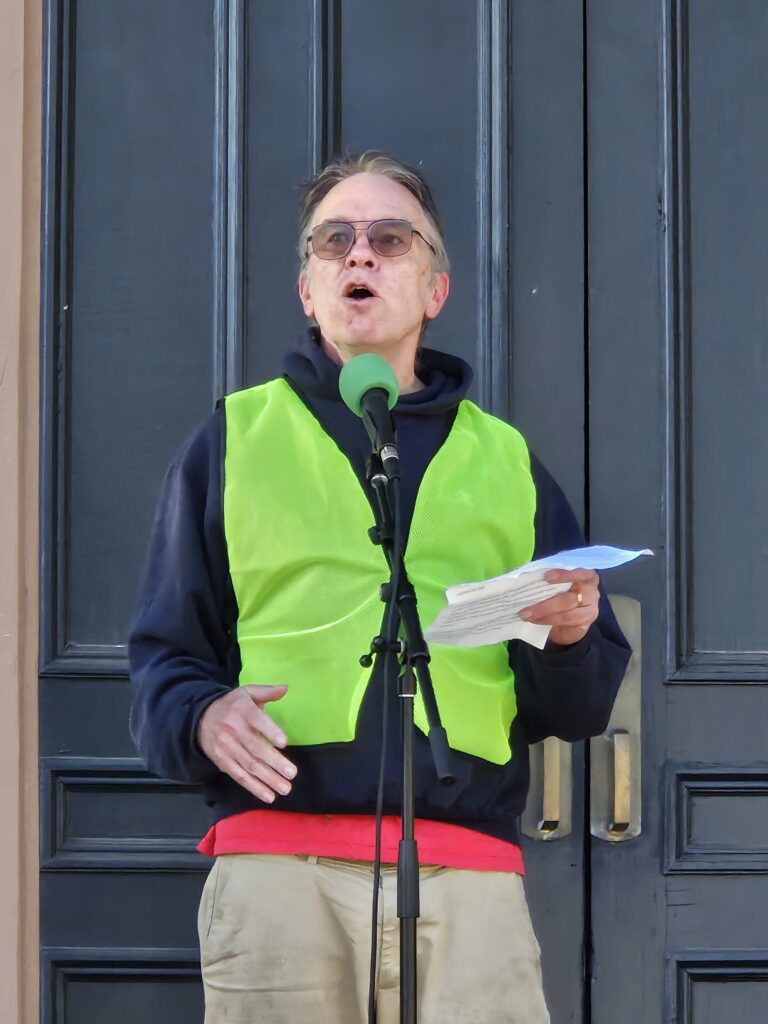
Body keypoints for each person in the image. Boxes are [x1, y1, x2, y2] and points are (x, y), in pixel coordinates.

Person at [129, 151, 631, 1024]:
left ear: (435, 289)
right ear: (307, 287)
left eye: (390, 238)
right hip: (281, 878)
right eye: (335, 241)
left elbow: (576, 707)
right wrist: (202, 716)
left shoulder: (505, 460)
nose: (359, 256)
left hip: (467, 881)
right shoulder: (234, 440)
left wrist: (573, 636)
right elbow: (165, 659)